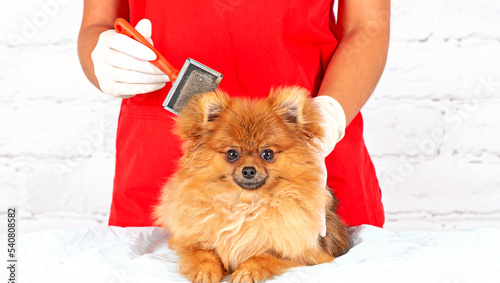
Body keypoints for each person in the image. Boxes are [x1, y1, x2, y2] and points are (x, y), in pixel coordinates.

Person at [78, 0, 390, 229]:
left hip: (303, 162)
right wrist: (102, 59)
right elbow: (97, 23)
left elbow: (367, 25)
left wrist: (329, 116)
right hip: (163, 168)